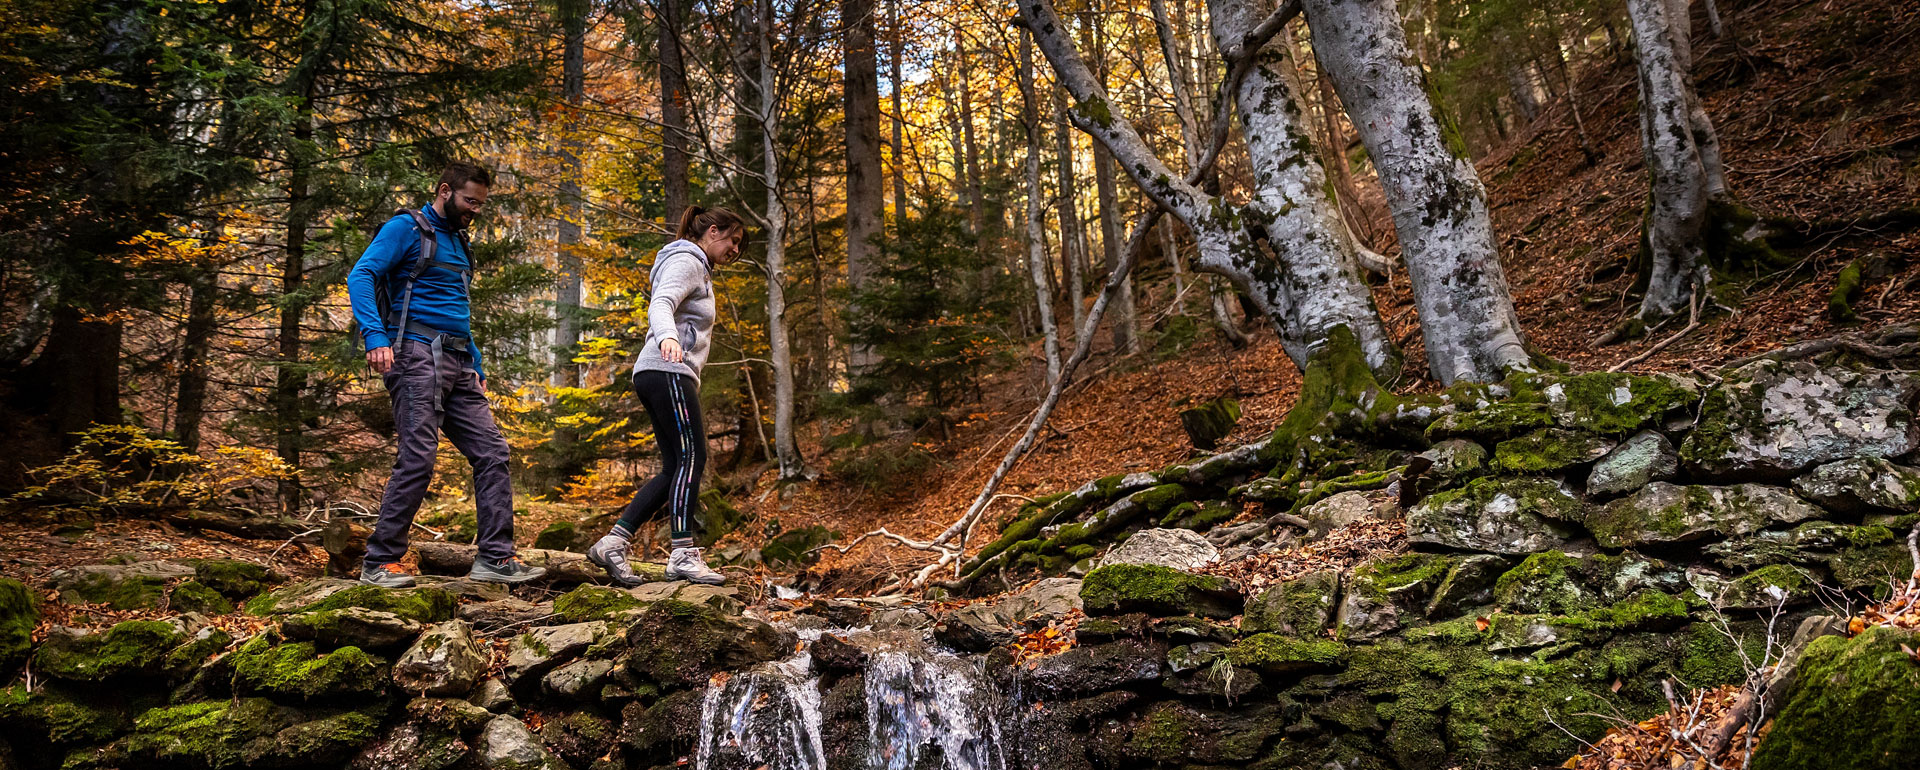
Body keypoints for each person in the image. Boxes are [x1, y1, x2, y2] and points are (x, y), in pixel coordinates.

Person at [346, 162, 545, 587]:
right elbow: (361, 274)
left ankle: (495, 558)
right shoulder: (406, 228)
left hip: (459, 362)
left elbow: (458, 310)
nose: (475, 210)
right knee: (418, 455)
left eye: (481, 204)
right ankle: (380, 561)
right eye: (469, 201)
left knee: (492, 453)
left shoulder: (458, 241)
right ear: (444, 191)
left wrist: (476, 363)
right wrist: (374, 336)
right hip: (415, 354)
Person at [587, 206, 745, 586]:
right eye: (733, 240)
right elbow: (661, 303)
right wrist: (668, 337)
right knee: (695, 455)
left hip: (659, 371)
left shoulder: (696, 266)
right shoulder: (688, 260)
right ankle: (683, 553)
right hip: (668, 367)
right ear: (711, 232)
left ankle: (614, 542)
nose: (736, 250)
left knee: (676, 466)